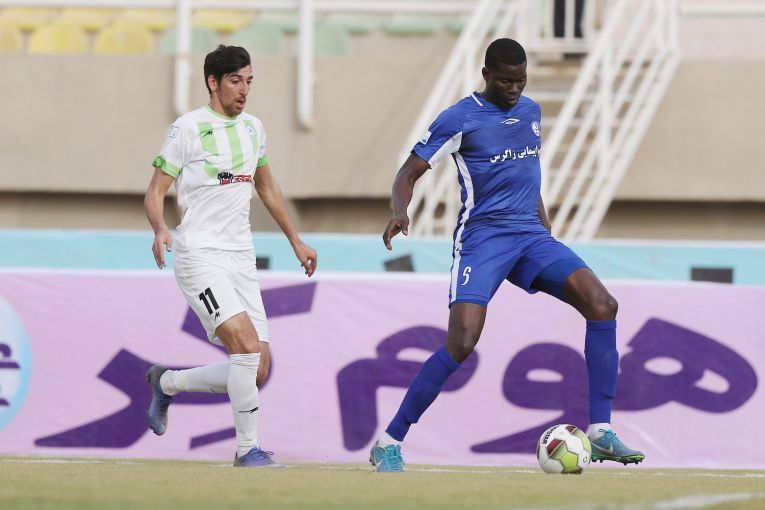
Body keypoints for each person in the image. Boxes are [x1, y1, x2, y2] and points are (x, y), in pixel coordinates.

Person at [370, 38, 644, 472]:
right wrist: (400, 211)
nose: (514, 89)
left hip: (531, 236)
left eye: (521, 80)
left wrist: (545, 229)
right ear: (486, 75)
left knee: (602, 304)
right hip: (483, 240)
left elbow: (527, 173)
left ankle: (600, 431)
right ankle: (389, 441)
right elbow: (408, 171)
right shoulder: (459, 118)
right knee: (462, 341)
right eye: (505, 81)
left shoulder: (531, 112)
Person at [144, 45, 317, 467]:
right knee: (244, 347)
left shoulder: (254, 128)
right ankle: (247, 450)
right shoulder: (187, 128)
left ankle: (166, 383)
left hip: (240, 257)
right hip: (199, 255)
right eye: (236, 81)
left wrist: (295, 240)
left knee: (256, 368)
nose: (244, 90)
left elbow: (267, 187)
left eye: (249, 81)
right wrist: (161, 228)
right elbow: (155, 190)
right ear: (213, 82)